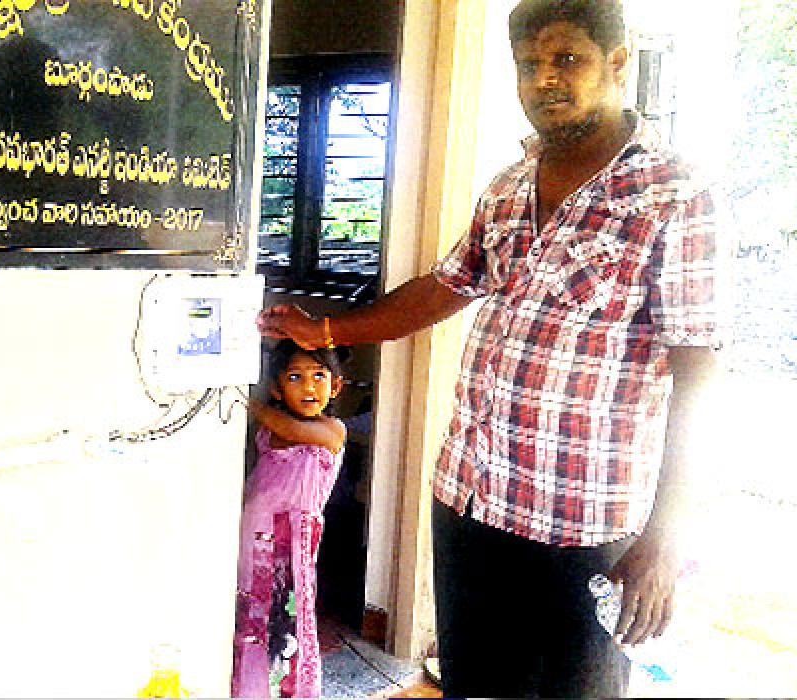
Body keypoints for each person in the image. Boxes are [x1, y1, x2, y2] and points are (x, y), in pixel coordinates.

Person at [256, 0, 725, 696]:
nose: (545, 79)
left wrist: (665, 534)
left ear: (617, 64)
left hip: (582, 526)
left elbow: (698, 369)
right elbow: (445, 288)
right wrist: (324, 331)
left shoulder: (674, 194)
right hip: (471, 502)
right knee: (474, 686)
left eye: (567, 58)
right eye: (529, 64)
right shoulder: (508, 187)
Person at [232, 339, 347, 698]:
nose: (309, 386)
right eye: (295, 377)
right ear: (277, 389)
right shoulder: (267, 435)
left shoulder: (332, 431)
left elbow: (294, 430)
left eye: (318, 376)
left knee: (286, 625)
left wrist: (239, 397)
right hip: (252, 545)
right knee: (250, 618)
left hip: (292, 554)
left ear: (336, 385)